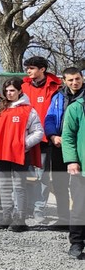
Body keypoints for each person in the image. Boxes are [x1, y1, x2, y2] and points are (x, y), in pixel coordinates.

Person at [0, 78, 44, 232]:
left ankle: (20, 219)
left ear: (20, 91)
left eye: (12, 90)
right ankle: (7, 216)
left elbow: (38, 132)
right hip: (1, 152)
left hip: (20, 154)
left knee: (19, 186)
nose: (9, 93)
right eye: (6, 91)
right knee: (4, 184)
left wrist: (23, 144)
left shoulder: (28, 110)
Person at [20, 56, 62, 223]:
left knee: (42, 176)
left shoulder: (56, 88)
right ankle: (23, 207)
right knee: (22, 174)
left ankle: (38, 209)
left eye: (31, 68)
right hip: (23, 139)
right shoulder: (22, 87)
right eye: (27, 68)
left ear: (42, 69)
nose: (28, 71)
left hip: (45, 140)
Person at [41, 66, 84, 228]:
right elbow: (49, 118)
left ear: (82, 79)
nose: (75, 83)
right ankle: (64, 219)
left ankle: (78, 220)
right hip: (58, 145)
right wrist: (52, 136)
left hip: (79, 147)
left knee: (78, 185)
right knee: (60, 183)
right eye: (71, 80)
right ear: (64, 81)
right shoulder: (57, 96)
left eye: (78, 79)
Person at [60, 85, 85, 259]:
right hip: (81, 168)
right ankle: (76, 243)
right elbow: (68, 136)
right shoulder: (76, 107)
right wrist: (72, 160)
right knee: (80, 206)